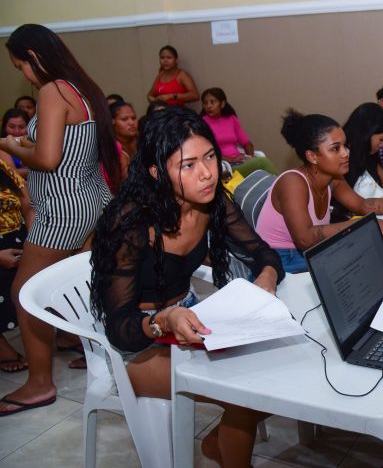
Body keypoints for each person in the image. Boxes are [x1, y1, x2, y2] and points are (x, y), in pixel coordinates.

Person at [91, 108, 284, 467]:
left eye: (209, 156)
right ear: (155, 172)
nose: (208, 173)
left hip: (191, 317)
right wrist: (164, 320)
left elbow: (263, 253)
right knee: (246, 395)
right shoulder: (131, 222)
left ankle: (220, 446)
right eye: (189, 164)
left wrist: (265, 279)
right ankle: (228, 452)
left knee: (277, 375)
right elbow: (119, 328)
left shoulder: (211, 203)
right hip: (138, 343)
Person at [0, 23, 119, 416]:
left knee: (23, 292)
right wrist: (21, 144)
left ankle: (38, 384)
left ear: (33, 56)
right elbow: (67, 147)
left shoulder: (51, 91)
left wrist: (12, 149)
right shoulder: (81, 87)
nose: (24, 76)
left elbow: (48, 160)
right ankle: (89, 346)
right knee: (83, 282)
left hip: (62, 209)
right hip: (91, 199)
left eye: (21, 67)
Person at [255, 109, 383, 273]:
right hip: (279, 262)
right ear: (312, 156)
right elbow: (304, 238)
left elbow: (363, 205)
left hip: (311, 253)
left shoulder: (333, 179)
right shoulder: (292, 182)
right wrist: (363, 225)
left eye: (344, 146)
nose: (345, 153)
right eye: (335, 149)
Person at [0, 160, 33, 373]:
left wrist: (33, 240)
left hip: (18, 240)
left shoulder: (2, 165)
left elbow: (26, 203)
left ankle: (65, 334)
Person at [200, 87, 278, 176]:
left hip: (238, 161)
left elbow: (247, 143)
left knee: (261, 170)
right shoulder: (202, 123)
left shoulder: (231, 119)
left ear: (222, 104)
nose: (208, 106)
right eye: (205, 103)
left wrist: (250, 157)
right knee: (262, 162)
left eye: (212, 102)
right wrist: (231, 160)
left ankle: (277, 187)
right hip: (224, 166)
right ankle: (283, 186)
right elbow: (207, 152)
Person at [1, 108, 29, 178]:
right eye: (12, 127)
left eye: (21, 127)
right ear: (4, 128)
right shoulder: (2, 146)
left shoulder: (33, 144)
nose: (16, 131)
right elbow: (11, 172)